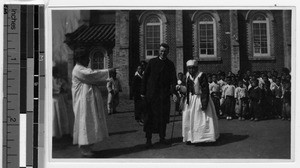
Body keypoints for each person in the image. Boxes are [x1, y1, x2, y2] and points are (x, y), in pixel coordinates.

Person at [71, 47, 115, 156]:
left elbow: (93, 76)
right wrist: (109, 71)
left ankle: (88, 146)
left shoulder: (81, 68)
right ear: (81, 59)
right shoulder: (78, 70)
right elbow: (92, 75)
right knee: (85, 121)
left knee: (89, 121)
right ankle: (84, 148)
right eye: (87, 58)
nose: (89, 61)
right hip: (82, 102)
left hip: (87, 101)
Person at [141, 43, 178, 148]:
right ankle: (148, 139)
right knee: (149, 118)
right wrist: (143, 92)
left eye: (165, 51)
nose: (163, 53)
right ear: (159, 51)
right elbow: (145, 77)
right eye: (161, 51)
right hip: (151, 95)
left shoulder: (170, 64)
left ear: (168, 52)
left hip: (164, 96)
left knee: (163, 118)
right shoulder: (152, 62)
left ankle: (162, 138)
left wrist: (174, 93)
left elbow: (173, 80)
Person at [179, 60, 219, 145]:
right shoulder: (187, 76)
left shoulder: (201, 75)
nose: (191, 70)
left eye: (193, 68)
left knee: (201, 119)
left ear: (196, 68)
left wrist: (204, 103)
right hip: (190, 99)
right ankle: (190, 137)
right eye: (189, 68)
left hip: (200, 98)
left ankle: (202, 138)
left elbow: (205, 90)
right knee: (189, 118)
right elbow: (187, 89)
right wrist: (180, 88)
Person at [53, 65, 71, 139]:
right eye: (55, 72)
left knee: (62, 115)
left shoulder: (60, 80)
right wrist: (58, 90)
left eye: (57, 72)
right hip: (53, 100)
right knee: (54, 117)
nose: (56, 74)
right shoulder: (49, 79)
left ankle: (64, 132)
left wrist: (64, 88)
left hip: (60, 99)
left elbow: (67, 87)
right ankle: (54, 133)